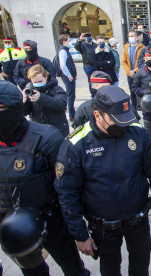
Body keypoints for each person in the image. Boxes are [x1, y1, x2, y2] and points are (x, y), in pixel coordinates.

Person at [54, 86, 151, 276]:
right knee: (110, 270)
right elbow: (67, 194)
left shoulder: (136, 132)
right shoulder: (76, 145)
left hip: (138, 220)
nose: (123, 126)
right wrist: (80, 235)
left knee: (141, 267)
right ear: (97, 115)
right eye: (116, 121)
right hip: (104, 227)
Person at [0, 81, 90, 276]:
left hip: (52, 221)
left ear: (15, 107)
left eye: (1, 108)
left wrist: (77, 226)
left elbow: (68, 185)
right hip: (12, 225)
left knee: (73, 269)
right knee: (34, 272)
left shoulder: (46, 137)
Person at [72, 71, 141, 129]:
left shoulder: (123, 105)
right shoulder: (84, 109)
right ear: (93, 88)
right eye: (102, 88)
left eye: (107, 87)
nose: (105, 91)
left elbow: (136, 127)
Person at [23, 64, 69, 137]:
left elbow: (61, 105)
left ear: (46, 77)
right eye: (35, 82)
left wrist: (41, 98)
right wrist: (24, 102)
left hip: (57, 130)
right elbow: (24, 113)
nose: (37, 84)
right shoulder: (30, 90)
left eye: (40, 81)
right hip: (38, 131)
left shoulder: (56, 89)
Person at [122, 30, 145, 109]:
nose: (130, 38)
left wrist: (135, 71)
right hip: (129, 73)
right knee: (132, 91)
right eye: (129, 36)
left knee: (140, 89)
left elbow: (143, 61)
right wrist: (129, 71)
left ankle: (141, 105)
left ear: (136, 37)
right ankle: (134, 106)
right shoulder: (126, 48)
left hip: (139, 72)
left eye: (132, 36)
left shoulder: (142, 48)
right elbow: (123, 61)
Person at [58, 34, 77, 122]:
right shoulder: (63, 51)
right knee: (71, 95)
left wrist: (74, 74)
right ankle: (72, 115)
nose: (70, 42)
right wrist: (69, 75)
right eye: (68, 40)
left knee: (71, 94)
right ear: (64, 41)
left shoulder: (65, 50)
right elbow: (63, 65)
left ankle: (72, 112)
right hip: (67, 77)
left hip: (70, 75)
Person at [74, 33, 97, 98]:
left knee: (97, 80)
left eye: (89, 36)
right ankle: (92, 95)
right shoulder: (82, 45)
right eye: (86, 37)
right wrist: (80, 39)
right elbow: (77, 47)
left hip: (96, 65)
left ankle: (97, 94)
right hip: (88, 66)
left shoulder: (94, 45)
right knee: (91, 81)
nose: (88, 38)